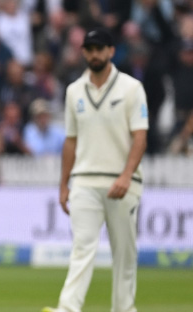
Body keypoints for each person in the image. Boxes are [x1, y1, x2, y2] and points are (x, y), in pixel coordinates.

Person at [42, 28, 149, 312]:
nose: (94, 54)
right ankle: (67, 308)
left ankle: (124, 309)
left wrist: (127, 175)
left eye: (100, 48)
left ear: (111, 51)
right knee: (82, 249)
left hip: (122, 183)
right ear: (83, 52)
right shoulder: (74, 91)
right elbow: (70, 140)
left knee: (125, 254)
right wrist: (63, 184)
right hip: (85, 181)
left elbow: (140, 136)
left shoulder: (131, 88)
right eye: (89, 49)